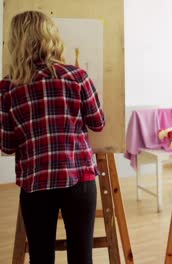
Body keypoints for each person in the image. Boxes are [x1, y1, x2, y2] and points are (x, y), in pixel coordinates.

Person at [0, 11, 105, 263]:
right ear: (52, 38)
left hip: (35, 184)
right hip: (78, 179)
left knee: (40, 256)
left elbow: (6, 146)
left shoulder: (6, 88)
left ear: (16, 42)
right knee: (81, 255)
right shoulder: (77, 77)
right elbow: (98, 123)